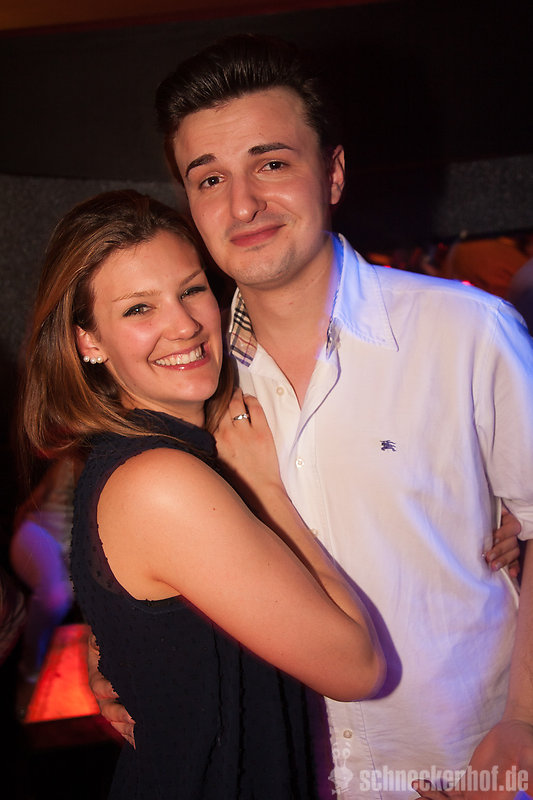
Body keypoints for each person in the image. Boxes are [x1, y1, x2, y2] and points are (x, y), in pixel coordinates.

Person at [90, 34, 533, 799]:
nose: (242, 205)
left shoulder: (465, 333)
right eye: (209, 178)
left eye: (270, 163)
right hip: (279, 774)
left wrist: (524, 717)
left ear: (331, 172)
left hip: (463, 763)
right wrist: (120, 648)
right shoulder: (185, 377)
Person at [20, 189, 383, 799]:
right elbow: (358, 668)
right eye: (139, 308)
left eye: (190, 290)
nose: (184, 324)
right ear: (88, 342)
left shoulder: (146, 457)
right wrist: (265, 490)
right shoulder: (161, 481)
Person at [10, 456, 81, 694]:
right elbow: (31, 504)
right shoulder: (71, 460)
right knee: (57, 595)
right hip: (39, 534)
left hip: (68, 551)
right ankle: (29, 673)